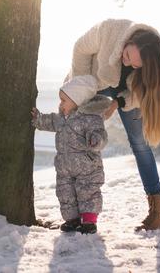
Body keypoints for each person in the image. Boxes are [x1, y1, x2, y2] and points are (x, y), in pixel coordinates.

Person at [69, 19, 160, 231]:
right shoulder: (109, 30)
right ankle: (78, 211)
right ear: (131, 41)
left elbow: (141, 94)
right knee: (78, 142)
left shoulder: (158, 62)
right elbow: (80, 48)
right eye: (127, 57)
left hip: (126, 93)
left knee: (140, 144)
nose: (127, 64)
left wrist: (119, 102)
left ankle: (157, 211)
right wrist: (81, 86)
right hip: (94, 82)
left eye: (135, 66)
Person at [31, 75, 111, 234]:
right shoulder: (61, 118)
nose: (60, 105)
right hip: (65, 166)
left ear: (77, 100)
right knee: (65, 192)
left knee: (87, 191)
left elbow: (100, 134)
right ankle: (72, 219)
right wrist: (38, 119)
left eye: (64, 101)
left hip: (87, 166)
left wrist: (96, 140)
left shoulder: (91, 118)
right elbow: (49, 121)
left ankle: (89, 221)